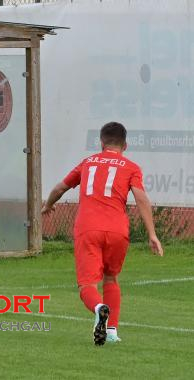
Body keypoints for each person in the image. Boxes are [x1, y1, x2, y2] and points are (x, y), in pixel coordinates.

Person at [41, 121, 163, 346]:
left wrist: (48, 205)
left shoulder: (88, 163)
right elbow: (141, 198)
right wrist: (152, 234)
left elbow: (60, 188)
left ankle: (99, 309)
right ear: (125, 145)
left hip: (88, 229)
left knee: (87, 285)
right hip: (118, 231)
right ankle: (112, 331)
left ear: (101, 142)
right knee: (111, 278)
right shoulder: (131, 167)